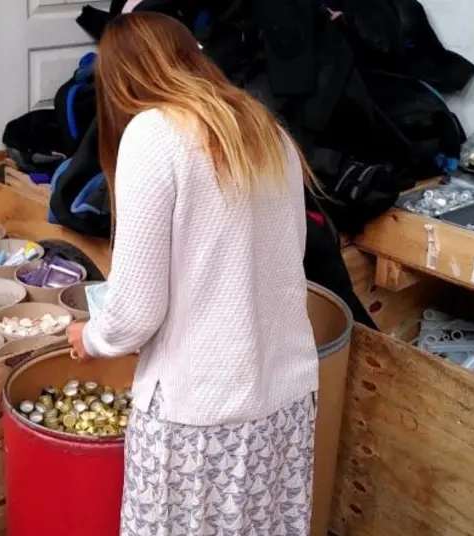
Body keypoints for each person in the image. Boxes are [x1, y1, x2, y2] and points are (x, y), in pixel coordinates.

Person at [66, 11, 319, 536]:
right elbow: (287, 256)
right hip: (285, 401)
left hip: (199, 414)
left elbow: (135, 312)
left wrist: (91, 336)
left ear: (119, 80)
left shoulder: (154, 133)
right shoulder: (262, 125)